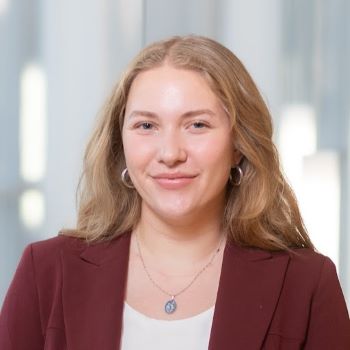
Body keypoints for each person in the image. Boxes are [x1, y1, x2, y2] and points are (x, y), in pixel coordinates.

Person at [0, 35, 349, 350]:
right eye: (146, 126)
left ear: (239, 145)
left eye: (197, 125)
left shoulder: (306, 285)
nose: (170, 153)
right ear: (121, 144)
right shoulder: (45, 273)